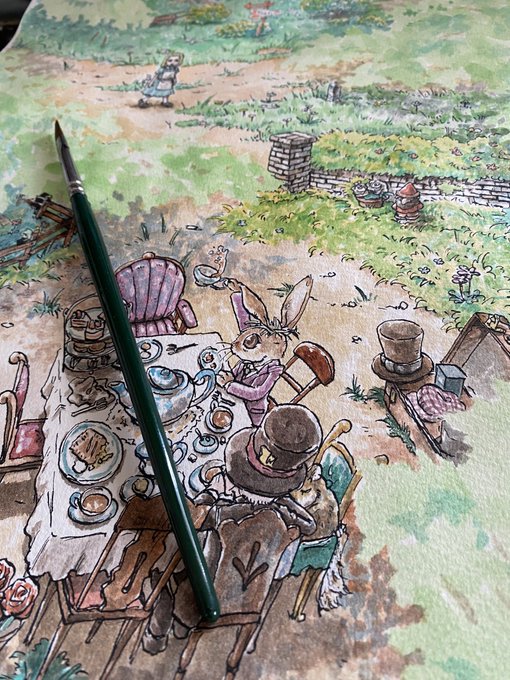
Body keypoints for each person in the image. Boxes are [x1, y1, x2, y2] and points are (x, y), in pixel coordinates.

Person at [143, 404, 322, 653]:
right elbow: (307, 528)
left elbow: (199, 514)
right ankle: (181, 624)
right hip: (242, 594)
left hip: (198, 582)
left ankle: (161, 626)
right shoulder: (283, 514)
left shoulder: (224, 495)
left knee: (159, 562)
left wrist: (214, 505)